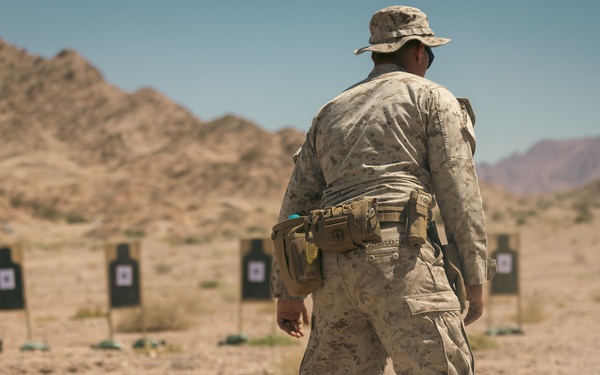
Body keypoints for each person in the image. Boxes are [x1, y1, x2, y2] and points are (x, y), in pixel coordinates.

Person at [271, 5, 496, 374]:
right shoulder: (432, 98)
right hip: (401, 260)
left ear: (375, 54)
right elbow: (460, 194)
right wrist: (474, 276)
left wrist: (289, 291)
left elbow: (297, 204)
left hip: (334, 267)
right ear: (421, 51)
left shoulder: (330, 111)